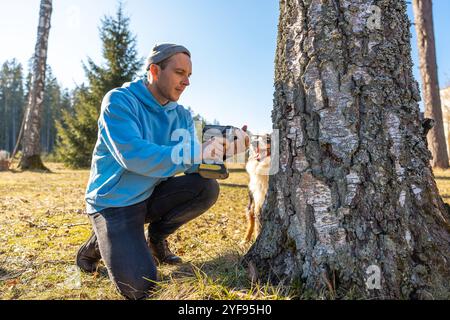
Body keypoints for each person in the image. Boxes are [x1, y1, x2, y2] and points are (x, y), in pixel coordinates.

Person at [75, 43, 249, 300]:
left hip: (151, 194)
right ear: (155, 71)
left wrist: (223, 151)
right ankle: (95, 243)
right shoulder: (120, 101)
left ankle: (155, 239)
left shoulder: (181, 115)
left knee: (205, 187)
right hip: (114, 203)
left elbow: (191, 162)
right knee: (140, 286)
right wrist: (198, 152)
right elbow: (132, 156)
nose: (187, 82)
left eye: (189, 75)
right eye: (180, 73)